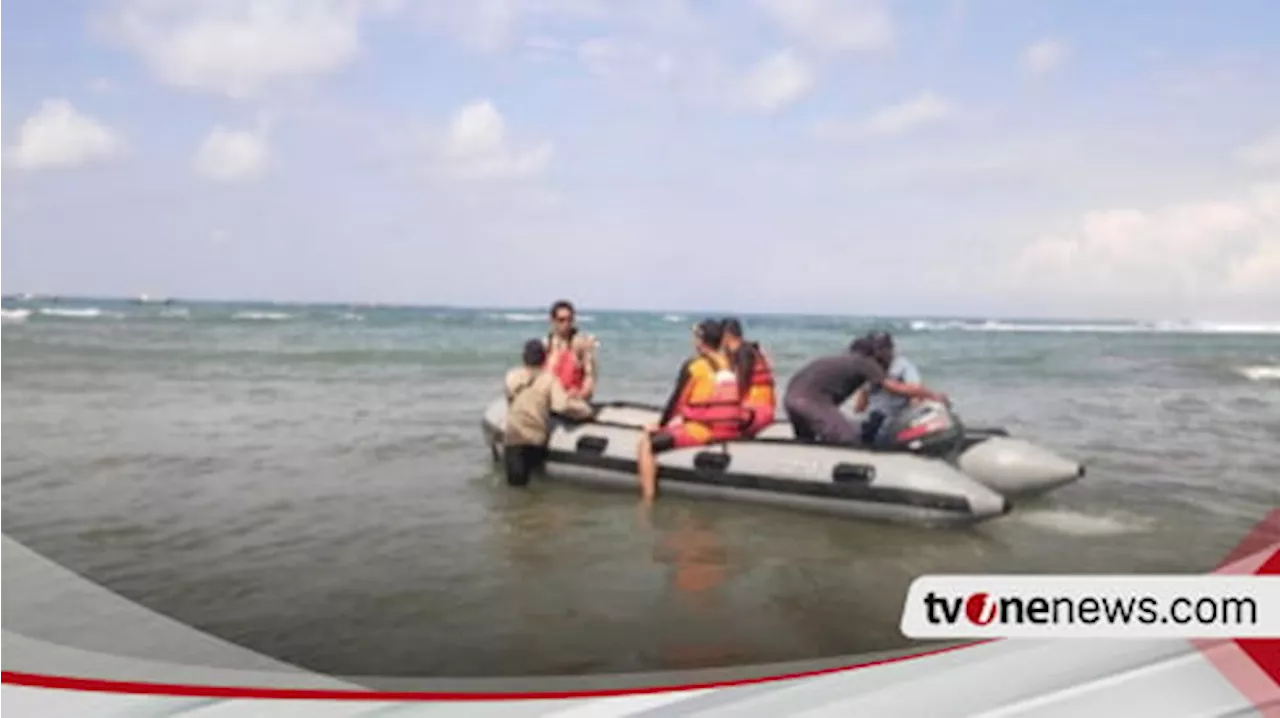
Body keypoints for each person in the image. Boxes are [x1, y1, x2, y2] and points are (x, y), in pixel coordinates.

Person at [636, 320, 745, 502]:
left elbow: (675, 401)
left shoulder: (694, 366)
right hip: (731, 428)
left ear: (701, 341)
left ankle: (647, 499)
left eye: (696, 337)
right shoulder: (729, 363)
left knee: (646, 443)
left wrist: (660, 426)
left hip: (705, 430)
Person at [783, 338, 948, 447]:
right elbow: (896, 388)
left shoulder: (835, 360)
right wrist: (933, 396)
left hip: (791, 399)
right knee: (847, 440)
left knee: (807, 443)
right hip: (812, 402)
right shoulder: (865, 363)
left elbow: (859, 407)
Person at [503, 338, 594, 487]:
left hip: (513, 438)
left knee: (515, 488)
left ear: (523, 356)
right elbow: (561, 406)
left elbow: (509, 399)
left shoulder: (511, 376)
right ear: (543, 358)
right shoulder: (549, 380)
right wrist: (586, 411)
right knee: (534, 485)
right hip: (534, 439)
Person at [853, 330, 924, 445]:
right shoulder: (869, 367)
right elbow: (860, 406)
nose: (879, 353)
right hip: (875, 416)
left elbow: (916, 391)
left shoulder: (902, 365)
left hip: (896, 415)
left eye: (883, 348)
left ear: (891, 348)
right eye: (876, 349)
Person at [720, 317, 777, 437]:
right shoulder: (751, 350)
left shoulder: (743, 352)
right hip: (764, 411)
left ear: (726, 336)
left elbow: (741, 385)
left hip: (755, 413)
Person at [543, 299, 598, 401]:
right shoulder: (546, 345)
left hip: (572, 399)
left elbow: (590, 377)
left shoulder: (581, 344)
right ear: (552, 320)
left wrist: (582, 394)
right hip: (549, 399)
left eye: (570, 320)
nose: (566, 324)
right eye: (561, 320)